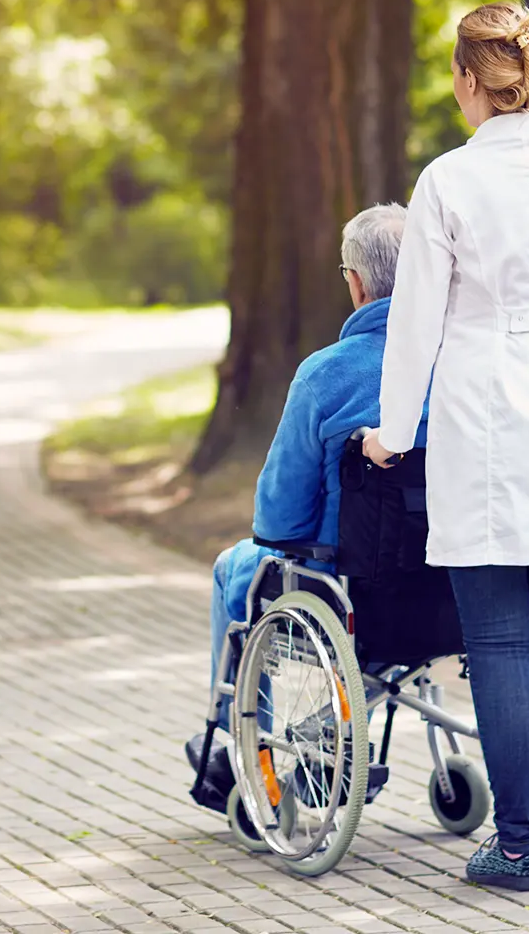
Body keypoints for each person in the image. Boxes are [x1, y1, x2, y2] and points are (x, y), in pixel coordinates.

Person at [362, 1, 529, 895]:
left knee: (502, 640)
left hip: (483, 413)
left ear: (470, 82)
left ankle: (516, 847)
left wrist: (390, 436)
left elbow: (415, 326)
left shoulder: (447, 181)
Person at [186, 203, 428, 806]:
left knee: (232, 568)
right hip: (453, 586)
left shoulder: (326, 376)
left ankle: (240, 746)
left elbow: (278, 521)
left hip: (347, 589)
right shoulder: (465, 364)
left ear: (355, 282)